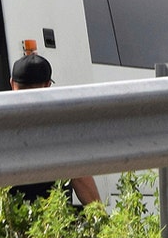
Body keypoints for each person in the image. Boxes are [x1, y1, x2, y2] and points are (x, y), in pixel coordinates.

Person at [7, 52, 101, 206]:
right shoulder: (58, 127)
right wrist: (101, 219)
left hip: (7, 221)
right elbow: (79, 177)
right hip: (50, 222)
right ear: (47, 85)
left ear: (12, 83)